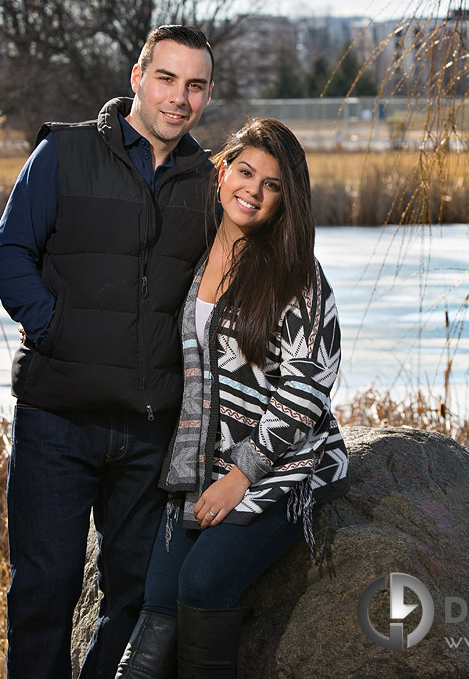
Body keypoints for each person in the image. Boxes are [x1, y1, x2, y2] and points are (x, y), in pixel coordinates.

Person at [0, 24, 216, 679]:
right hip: (57, 416)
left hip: (151, 428)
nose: (179, 97)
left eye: (195, 85)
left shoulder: (209, 181)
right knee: (43, 592)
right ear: (137, 77)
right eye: (167, 78)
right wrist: (56, 328)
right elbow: (9, 256)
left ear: (207, 95)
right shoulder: (64, 153)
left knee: (138, 597)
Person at [115, 118, 350, 678]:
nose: (255, 190)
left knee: (201, 583)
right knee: (157, 598)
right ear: (222, 173)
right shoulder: (192, 252)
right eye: (246, 172)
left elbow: (309, 383)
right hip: (197, 465)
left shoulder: (298, 274)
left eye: (273, 185)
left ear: (285, 201)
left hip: (284, 468)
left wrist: (243, 473)